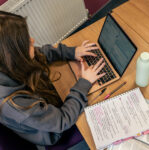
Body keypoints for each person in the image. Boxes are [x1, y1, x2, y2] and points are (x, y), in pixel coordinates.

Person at [0, 11, 105, 146]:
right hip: (56, 130)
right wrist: (84, 83)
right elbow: (62, 120)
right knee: (102, 104)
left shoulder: (8, 64)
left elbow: (40, 53)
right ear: (14, 56)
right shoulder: (15, 105)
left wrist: (72, 52)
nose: (33, 40)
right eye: (27, 42)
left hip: (46, 104)